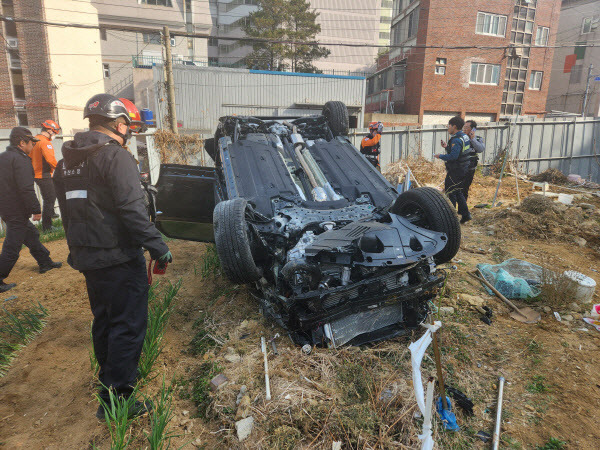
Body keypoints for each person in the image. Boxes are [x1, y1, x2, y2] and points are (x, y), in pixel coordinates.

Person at [53, 94, 171, 419]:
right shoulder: (115, 157)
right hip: (119, 257)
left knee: (105, 321)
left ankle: (108, 385)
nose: (128, 132)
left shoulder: (65, 163)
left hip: (89, 259)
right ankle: (117, 402)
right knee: (128, 325)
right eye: (128, 127)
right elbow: (132, 212)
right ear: (119, 125)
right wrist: (158, 245)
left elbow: (67, 214)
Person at [0, 127, 62, 293]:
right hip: (16, 210)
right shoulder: (21, 160)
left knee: (31, 235)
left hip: (6, 208)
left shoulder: (3, 157)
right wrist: (36, 209)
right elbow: (26, 188)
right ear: (22, 143)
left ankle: (45, 263)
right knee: (12, 247)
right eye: (31, 142)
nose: (33, 145)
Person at [435, 116, 472, 224]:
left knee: (450, 191)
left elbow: (453, 156)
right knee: (458, 191)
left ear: (454, 126)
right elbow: (459, 152)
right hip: (463, 169)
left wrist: (440, 156)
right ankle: (466, 215)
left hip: (456, 170)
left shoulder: (456, 139)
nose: (448, 127)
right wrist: (447, 147)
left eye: (449, 125)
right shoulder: (464, 137)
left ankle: (451, 219)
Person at [30, 120, 61, 231]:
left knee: (49, 196)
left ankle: (51, 214)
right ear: (49, 130)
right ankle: (47, 227)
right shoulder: (45, 142)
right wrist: (60, 170)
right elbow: (50, 160)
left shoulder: (34, 140)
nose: (54, 136)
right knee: (50, 199)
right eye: (54, 133)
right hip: (44, 174)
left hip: (36, 174)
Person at [462, 120, 485, 201]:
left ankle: (462, 209)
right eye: (464, 127)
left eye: (467, 127)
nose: (464, 129)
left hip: (470, 169)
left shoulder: (478, 139)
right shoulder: (460, 138)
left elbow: (480, 149)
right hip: (458, 167)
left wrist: (472, 139)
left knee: (464, 188)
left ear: (473, 129)